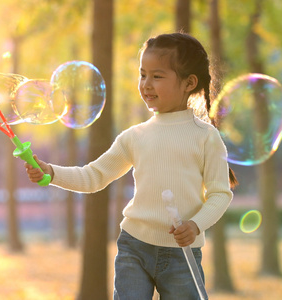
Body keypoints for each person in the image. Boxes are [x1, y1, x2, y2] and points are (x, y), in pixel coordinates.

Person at [24, 32, 237, 299]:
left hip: (183, 254)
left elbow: (220, 194)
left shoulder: (206, 137)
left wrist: (195, 225)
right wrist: (51, 173)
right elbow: (94, 176)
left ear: (189, 83)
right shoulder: (135, 136)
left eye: (157, 76)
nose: (146, 84)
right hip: (134, 248)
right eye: (143, 74)